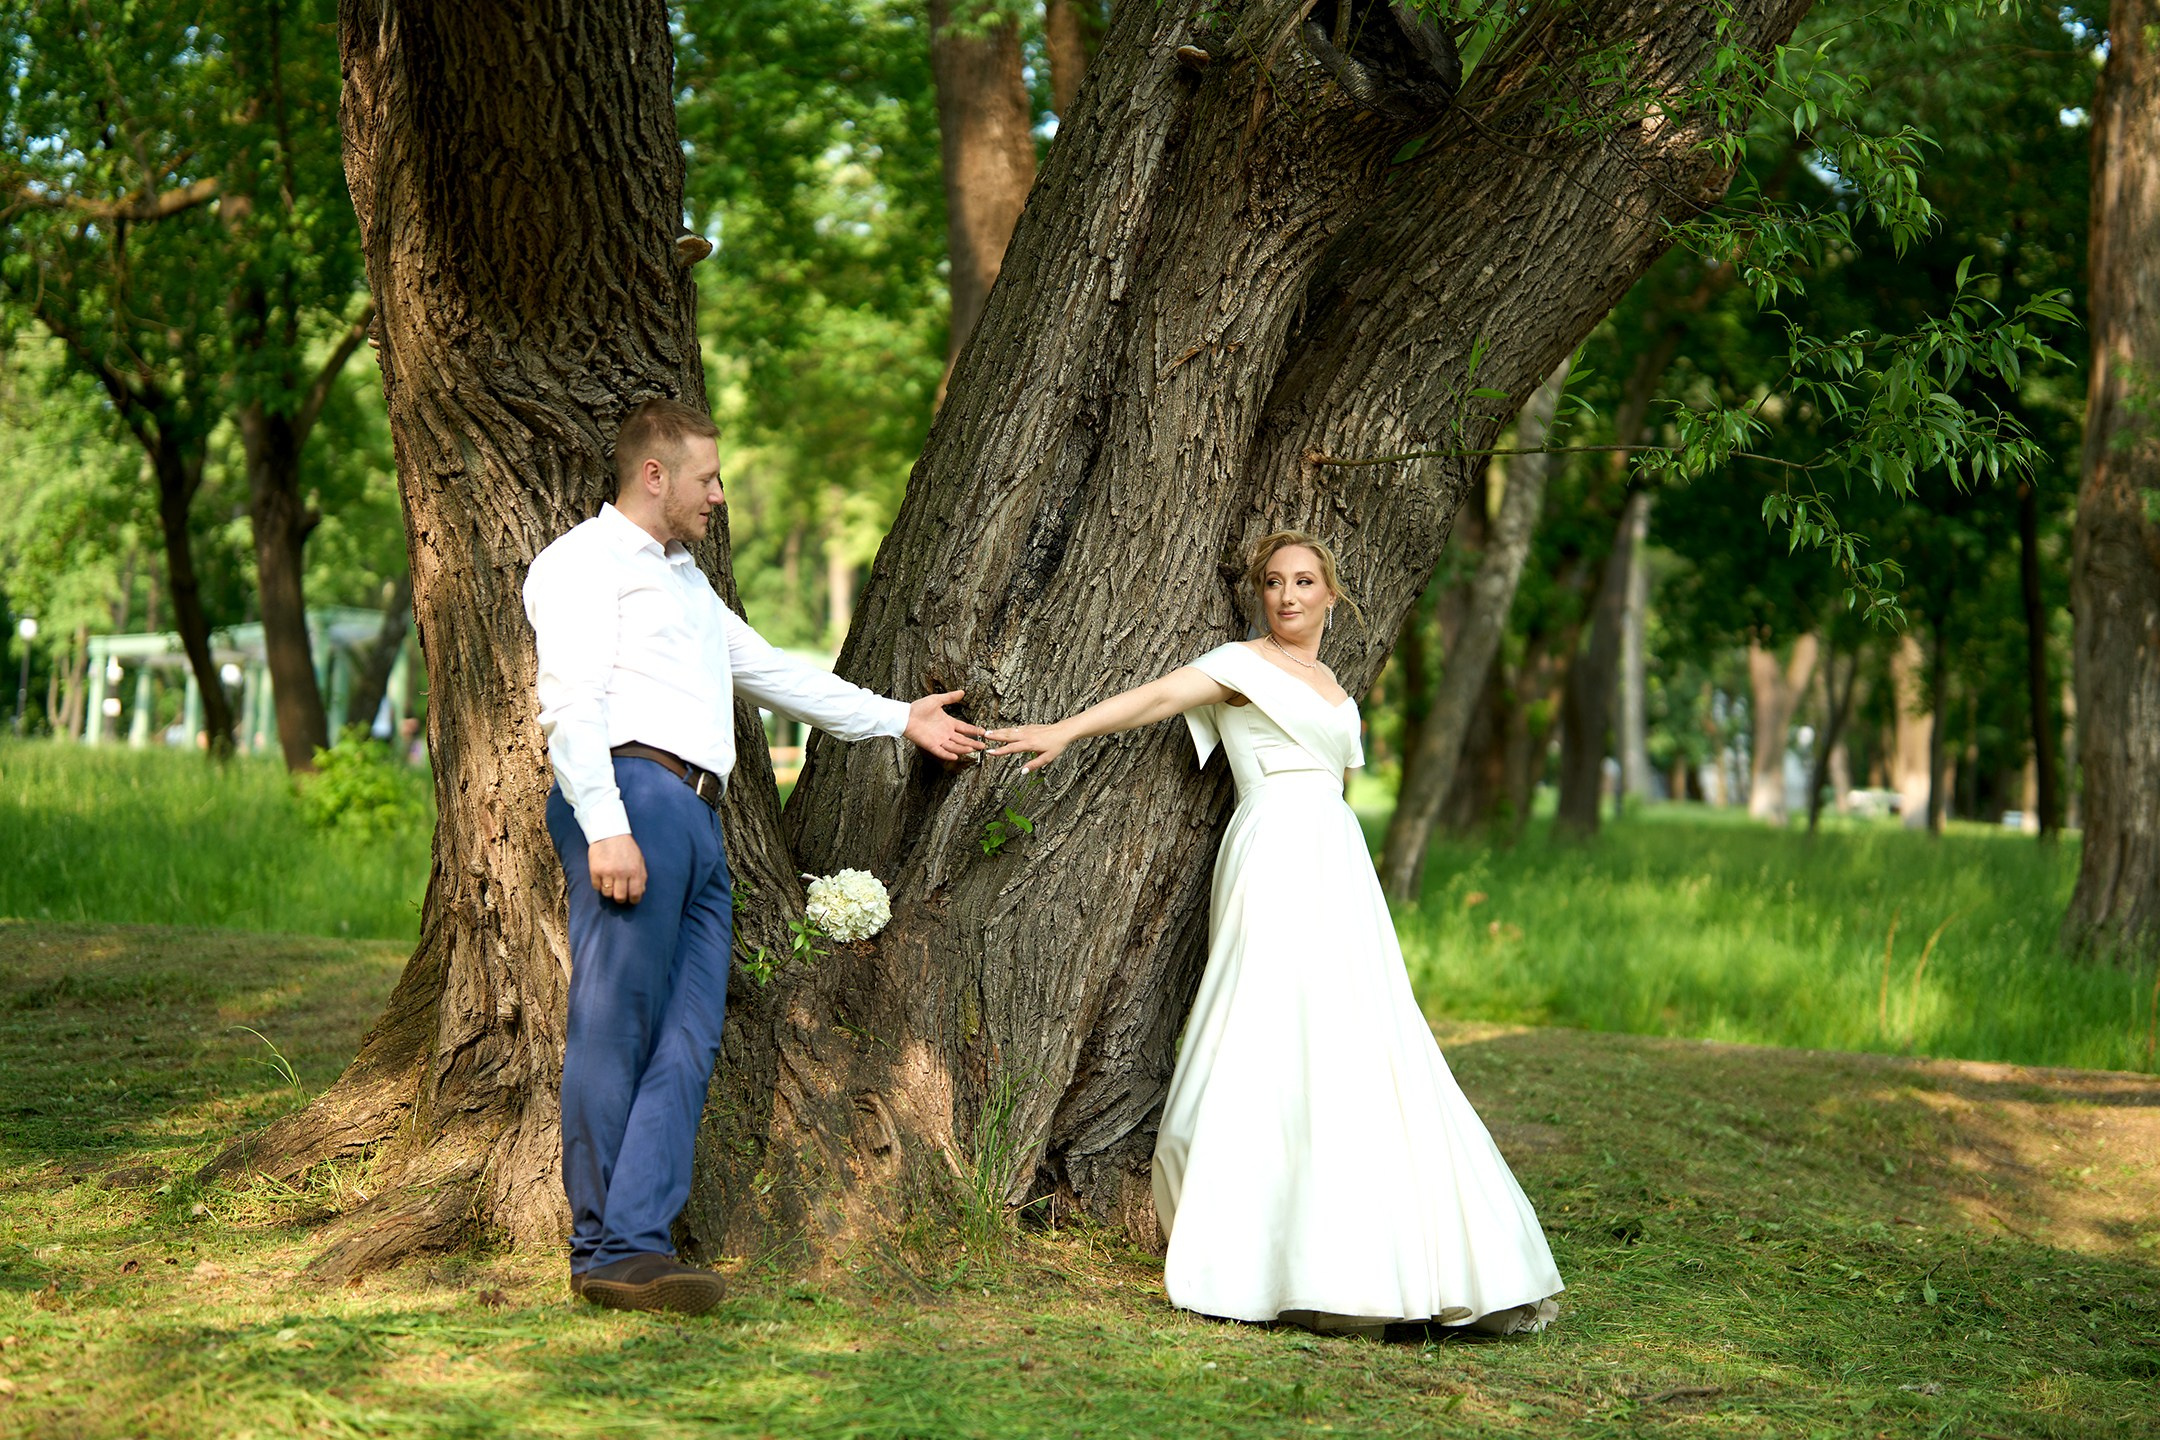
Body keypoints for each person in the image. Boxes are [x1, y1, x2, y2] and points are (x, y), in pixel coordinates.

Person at [986, 530, 1563, 1338]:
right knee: (1267, 1021)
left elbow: (1338, 782)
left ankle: (1387, 1254)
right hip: (1271, 847)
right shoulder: (1240, 665)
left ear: (1332, 593)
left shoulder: (1334, 684)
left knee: (1360, 1036)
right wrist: (1063, 731)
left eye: (1302, 582)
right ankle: (1263, 1243)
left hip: (1337, 859)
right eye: (1272, 582)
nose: (1286, 596)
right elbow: (1154, 698)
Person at [523, 397, 986, 1315]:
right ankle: (594, 1246)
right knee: (617, 1023)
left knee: (691, 1035)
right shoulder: (579, 563)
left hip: (703, 817)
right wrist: (606, 822)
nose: (719, 496)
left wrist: (900, 718)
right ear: (654, 474)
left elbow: (777, 672)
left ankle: (637, 1245)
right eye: (708, 477)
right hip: (632, 798)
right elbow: (569, 704)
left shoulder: (690, 583)